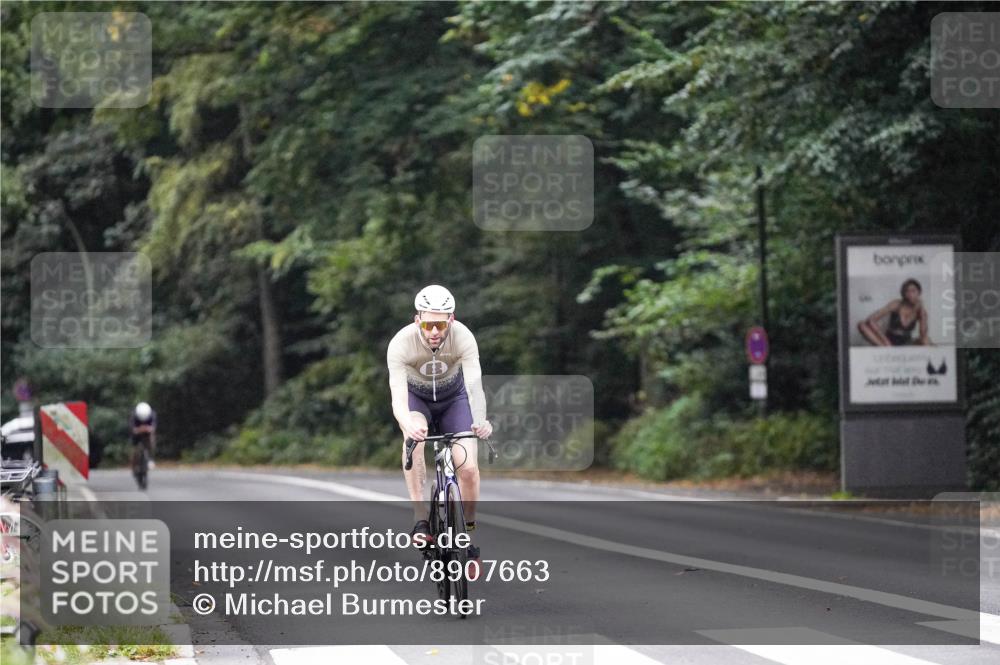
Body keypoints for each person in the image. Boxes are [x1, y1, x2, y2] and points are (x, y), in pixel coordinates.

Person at [386, 285, 492, 577]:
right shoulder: (401, 344)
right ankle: (421, 518)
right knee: (416, 435)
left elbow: (474, 387)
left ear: (452, 320)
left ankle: (467, 535)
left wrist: (481, 421)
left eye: (441, 324)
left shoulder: (464, 338)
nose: (434, 331)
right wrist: (408, 426)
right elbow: (397, 398)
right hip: (416, 400)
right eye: (428, 323)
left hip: (453, 400)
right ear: (417, 319)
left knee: (468, 468)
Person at [857, 278, 931, 346]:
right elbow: (871, 319)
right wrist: (885, 340)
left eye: (913, 291)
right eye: (907, 291)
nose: (910, 294)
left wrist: (920, 309)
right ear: (903, 293)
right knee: (861, 324)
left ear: (919, 292)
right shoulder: (897, 304)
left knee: (926, 340)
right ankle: (886, 348)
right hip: (888, 340)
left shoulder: (921, 311)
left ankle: (888, 349)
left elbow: (923, 334)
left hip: (906, 342)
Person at [129, 402, 157, 471]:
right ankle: (134, 462)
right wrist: (138, 430)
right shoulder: (134, 416)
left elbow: (153, 427)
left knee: (151, 440)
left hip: (147, 431)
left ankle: (150, 458)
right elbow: (132, 428)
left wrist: (148, 429)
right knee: (135, 447)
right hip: (137, 431)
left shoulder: (152, 415)